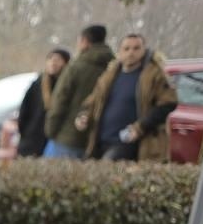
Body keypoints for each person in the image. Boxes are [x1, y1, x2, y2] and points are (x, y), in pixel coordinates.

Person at [81, 32, 178, 162]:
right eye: (126, 48)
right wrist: (83, 115)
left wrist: (140, 127)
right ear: (120, 52)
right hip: (101, 140)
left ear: (144, 50)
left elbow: (168, 103)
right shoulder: (110, 74)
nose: (131, 52)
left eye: (136, 48)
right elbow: (93, 100)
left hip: (129, 142)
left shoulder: (154, 75)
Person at [44, 24, 113, 159]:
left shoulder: (76, 67)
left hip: (68, 137)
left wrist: (50, 130)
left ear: (84, 41)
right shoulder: (113, 67)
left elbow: (60, 101)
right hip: (98, 138)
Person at [14, 48, 69, 158]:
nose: (53, 62)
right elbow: (24, 110)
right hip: (32, 139)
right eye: (51, 59)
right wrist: (24, 132)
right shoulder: (38, 83)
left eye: (58, 59)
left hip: (55, 139)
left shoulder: (67, 85)